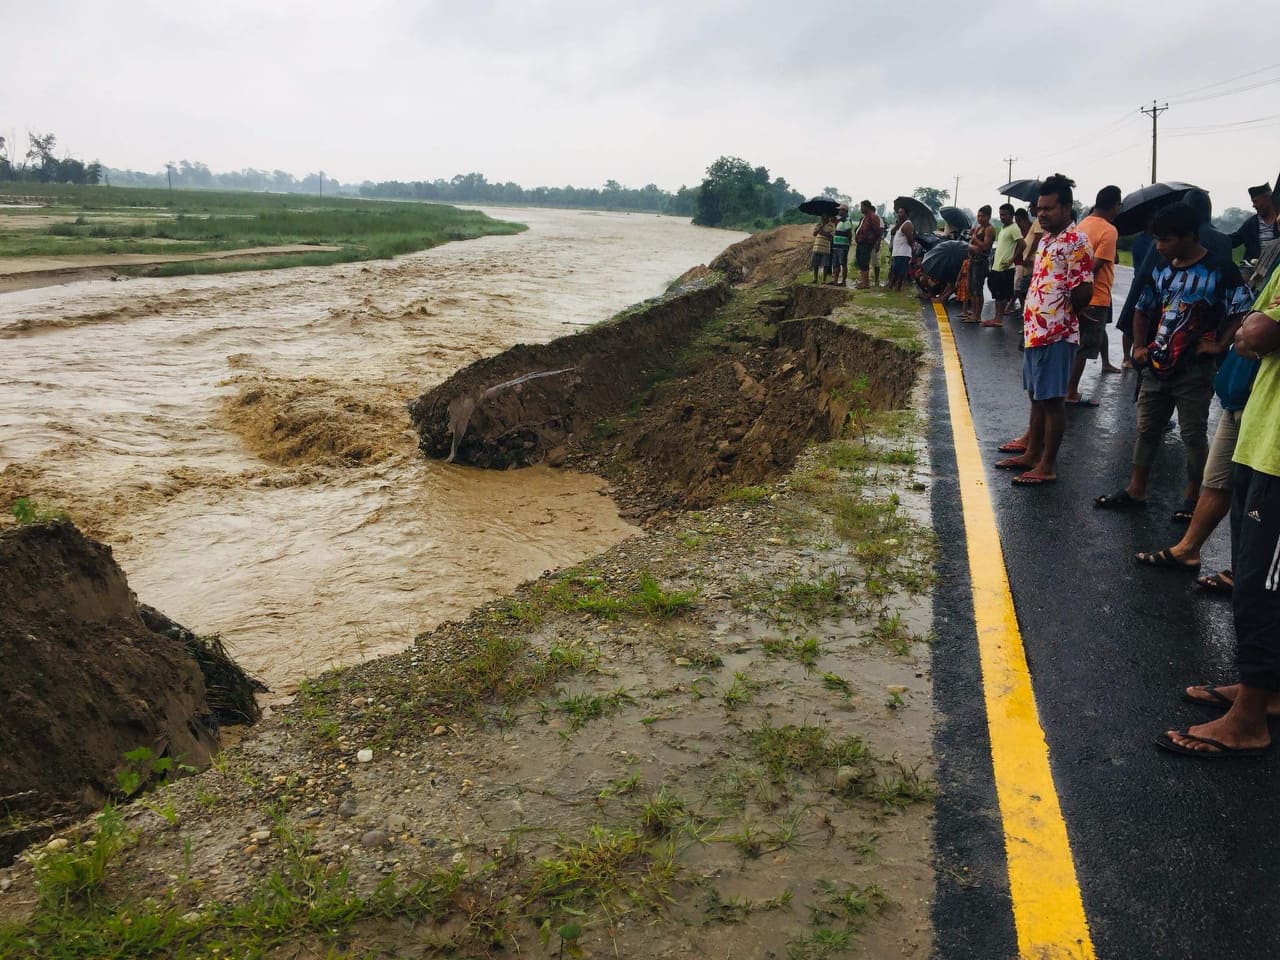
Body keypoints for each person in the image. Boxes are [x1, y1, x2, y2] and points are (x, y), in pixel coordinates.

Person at [1158, 265, 1280, 757]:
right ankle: (1264, 691)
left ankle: (1249, 722)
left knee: (1263, 591)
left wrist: (1254, 328)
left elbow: (1257, 331)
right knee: (1253, 582)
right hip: (1262, 438)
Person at [1095, 202, 1254, 516]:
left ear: (1188, 237)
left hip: (1194, 368)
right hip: (1157, 362)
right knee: (1147, 428)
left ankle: (1192, 497)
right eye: (1157, 239)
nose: (1158, 246)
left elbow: (1242, 308)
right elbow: (1143, 306)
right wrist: (1139, 347)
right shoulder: (1162, 269)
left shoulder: (1219, 270)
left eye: (1165, 239)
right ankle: (1135, 489)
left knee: (1193, 434)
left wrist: (1220, 344)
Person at [1133, 342, 1260, 592]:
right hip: (1238, 398)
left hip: (1264, 405)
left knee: (1257, 493)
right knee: (1216, 481)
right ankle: (1188, 549)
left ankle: (1248, 573)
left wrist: (1243, 333)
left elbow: (1255, 335)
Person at [994, 174, 1093, 486]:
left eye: (1048, 208)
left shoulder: (1076, 241)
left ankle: (1047, 465)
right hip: (1036, 331)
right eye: (1039, 209)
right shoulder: (1048, 239)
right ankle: (1031, 454)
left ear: (1066, 207)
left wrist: (1061, 315)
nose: (1042, 214)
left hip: (1057, 334)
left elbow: (1083, 292)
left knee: (1053, 401)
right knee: (1036, 396)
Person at [1065, 186, 1122, 400]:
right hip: (1095, 296)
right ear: (1115, 205)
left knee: (1074, 343)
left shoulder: (1082, 225)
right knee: (1084, 346)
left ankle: (1065, 388)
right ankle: (1071, 392)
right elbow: (1094, 265)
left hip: (1076, 293)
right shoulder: (1109, 230)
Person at [983, 203, 1021, 327]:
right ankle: (996, 317)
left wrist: (1012, 260)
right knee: (997, 293)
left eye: (1004, 215)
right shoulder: (1004, 228)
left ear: (1011, 215)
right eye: (1000, 215)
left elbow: (1022, 244)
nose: (1002, 217)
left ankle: (999, 319)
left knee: (1002, 295)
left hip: (1006, 267)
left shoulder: (1014, 228)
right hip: (997, 266)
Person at [1229, 182, 1279, 265]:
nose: (1254, 205)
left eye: (1256, 201)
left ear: (1268, 199)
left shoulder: (1278, 219)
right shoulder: (1250, 224)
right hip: (1254, 270)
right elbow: (1234, 240)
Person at [963, 205, 995, 322]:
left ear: (988, 217)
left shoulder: (989, 229)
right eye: (979, 216)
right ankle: (973, 313)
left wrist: (975, 240)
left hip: (981, 262)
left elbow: (985, 247)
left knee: (978, 290)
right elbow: (971, 243)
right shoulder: (978, 228)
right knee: (971, 288)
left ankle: (977, 315)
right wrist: (972, 243)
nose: (980, 218)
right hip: (973, 260)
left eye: (982, 216)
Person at [854, 201, 883, 289]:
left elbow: (878, 232)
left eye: (862, 207)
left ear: (867, 207)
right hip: (861, 242)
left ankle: (866, 284)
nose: (860, 208)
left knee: (864, 262)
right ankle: (864, 282)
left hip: (867, 243)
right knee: (860, 262)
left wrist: (877, 243)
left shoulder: (873, 217)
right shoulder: (865, 217)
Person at [1010, 207, 1033, 315]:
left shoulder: (1031, 229)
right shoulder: (1019, 230)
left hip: (1026, 262)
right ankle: (1022, 306)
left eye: (1019, 220)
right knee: (1018, 287)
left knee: (1020, 287)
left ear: (1024, 219)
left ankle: (1023, 308)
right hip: (1019, 261)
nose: (1018, 223)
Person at [888, 206, 914, 292]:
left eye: (901, 212)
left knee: (900, 271)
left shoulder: (908, 224)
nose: (899, 214)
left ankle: (897, 288)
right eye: (898, 212)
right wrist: (898, 224)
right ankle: (892, 286)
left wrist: (912, 249)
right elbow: (892, 232)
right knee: (895, 271)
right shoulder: (901, 223)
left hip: (903, 253)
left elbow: (910, 240)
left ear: (906, 214)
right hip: (897, 253)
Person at [830, 204, 853, 286]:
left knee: (843, 264)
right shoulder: (840, 221)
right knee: (836, 264)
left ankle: (843, 281)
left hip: (842, 246)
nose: (839, 211)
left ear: (844, 211)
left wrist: (848, 243)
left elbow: (849, 233)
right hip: (836, 245)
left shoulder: (846, 221)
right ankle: (835, 281)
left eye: (840, 210)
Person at [811, 215, 834, 284]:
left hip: (825, 247)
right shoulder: (819, 224)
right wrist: (819, 229)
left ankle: (824, 280)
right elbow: (814, 234)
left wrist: (822, 231)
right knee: (815, 264)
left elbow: (831, 236)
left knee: (825, 265)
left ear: (828, 217)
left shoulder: (831, 225)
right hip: (816, 247)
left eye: (825, 216)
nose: (823, 217)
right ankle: (815, 279)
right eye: (822, 216)